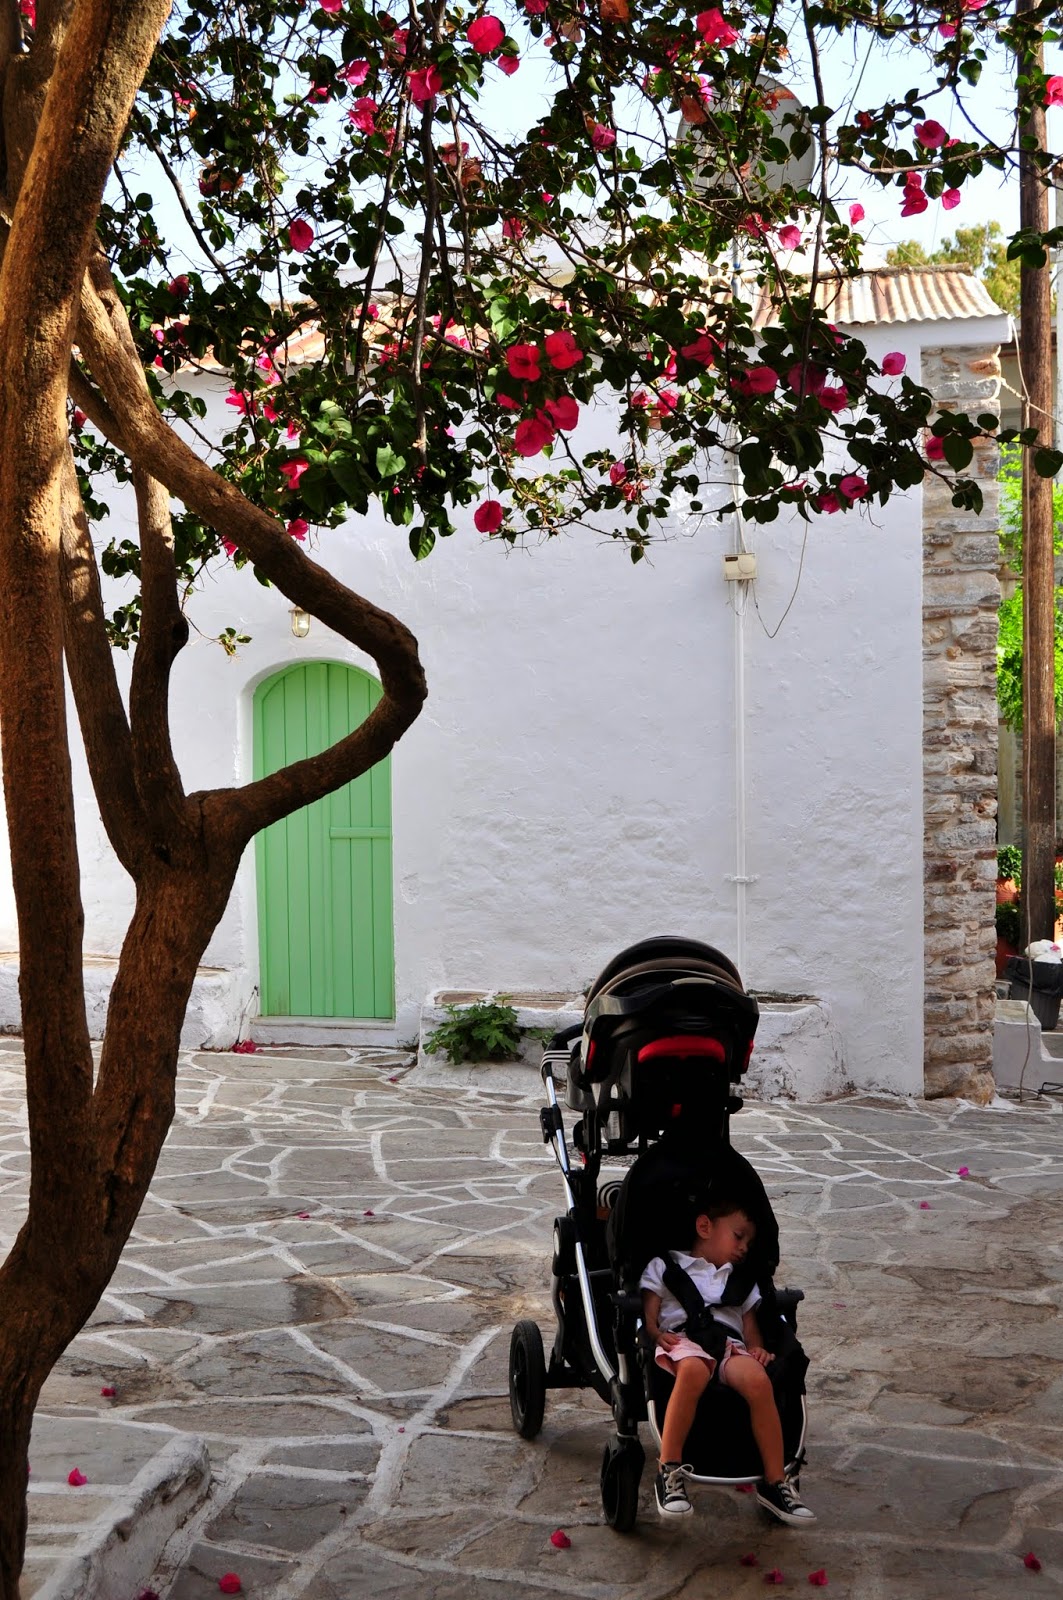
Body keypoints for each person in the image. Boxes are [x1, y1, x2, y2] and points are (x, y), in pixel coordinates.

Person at [640, 1197, 816, 1524]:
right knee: (693, 1370)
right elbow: (649, 1314)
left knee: (758, 1381)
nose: (744, 1247)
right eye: (738, 1236)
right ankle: (669, 1469)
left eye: (749, 1241)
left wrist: (757, 1347)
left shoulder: (740, 1279)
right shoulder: (665, 1267)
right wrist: (653, 1333)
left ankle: (775, 1480)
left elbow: (749, 1325)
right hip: (683, 1339)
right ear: (705, 1227)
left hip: (729, 1345)